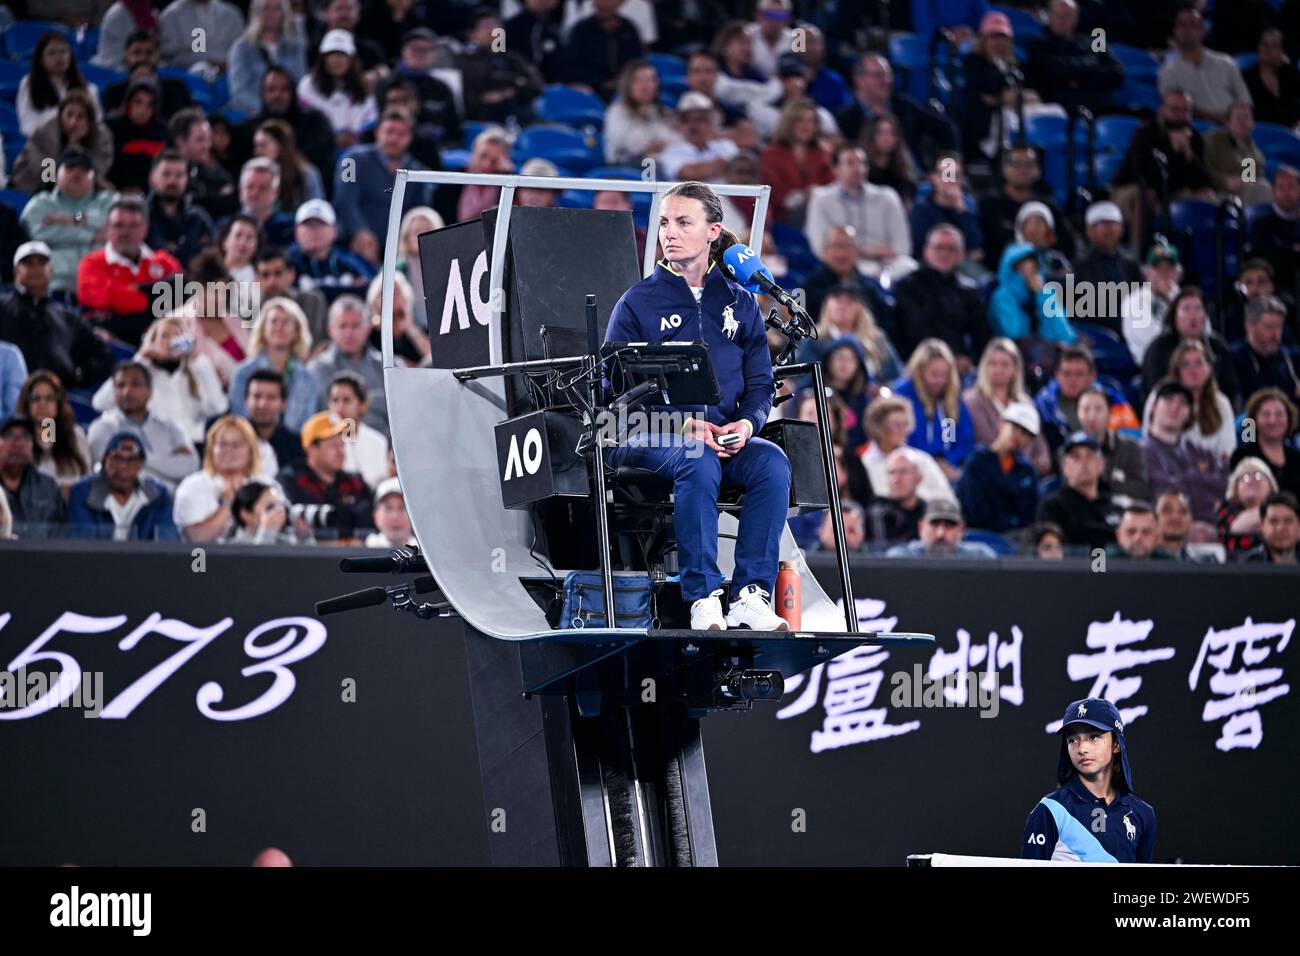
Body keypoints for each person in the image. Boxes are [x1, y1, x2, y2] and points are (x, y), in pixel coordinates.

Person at [602, 180, 790, 632]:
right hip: (644, 433)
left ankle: (750, 594)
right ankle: (703, 596)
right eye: (665, 222)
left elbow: (761, 385)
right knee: (698, 458)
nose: (669, 232)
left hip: (722, 437)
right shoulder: (637, 302)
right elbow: (613, 394)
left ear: (713, 231)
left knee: (772, 463)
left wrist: (747, 424)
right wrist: (684, 426)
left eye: (684, 222)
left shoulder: (742, 303)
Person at [1021, 697, 1156, 863]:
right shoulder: (1050, 809)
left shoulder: (1142, 813)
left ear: (1116, 744)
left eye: (1094, 737)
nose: (1082, 748)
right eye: (1072, 740)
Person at [92, 316, 228, 447]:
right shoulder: (140, 371)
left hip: (190, 444)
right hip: (149, 445)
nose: (171, 341)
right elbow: (100, 403)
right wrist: (140, 360)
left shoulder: (197, 370)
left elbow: (218, 408)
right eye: (165, 336)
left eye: (177, 335)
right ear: (153, 341)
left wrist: (199, 360)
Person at [1111, 90, 1217, 250]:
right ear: (1162, 109)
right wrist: (1173, 150)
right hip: (1134, 189)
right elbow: (1143, 176)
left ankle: (1204, 257)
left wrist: (1188, 154)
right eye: (1175, 109)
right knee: (1148, 194)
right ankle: (1136, 255)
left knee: (1210, 196)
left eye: (1185, 110)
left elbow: (1205, 180)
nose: (1180, 115)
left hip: (1174, 191)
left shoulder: (1251, 151)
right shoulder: (1146, 133)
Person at [0, 242, 113, 391]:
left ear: (51, 270)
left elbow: (104, 357)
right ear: (16, 271)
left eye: (42, 263)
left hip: (58, 398)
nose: (35, 269)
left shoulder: (67, 317)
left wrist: (79, 374)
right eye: (28, 263)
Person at [76, 197, 183, 348]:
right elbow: (102, 297)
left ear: (145, 229)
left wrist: (131, 293)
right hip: (113, 344)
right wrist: (155, 299)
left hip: (163, 342)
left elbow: (182, 296)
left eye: (133, 226)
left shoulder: (165, 261)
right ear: (107, 229)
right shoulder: (91, 263)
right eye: (119, 225)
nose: (126, 233)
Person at [332, 108, 434, 261]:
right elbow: (344, 201)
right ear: (377, 132)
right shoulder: (351, 160)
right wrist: (360, 231)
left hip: (400, 249)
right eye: (389, 131)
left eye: (401, 134)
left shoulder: (418, 172)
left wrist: (405, 244)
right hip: (355, 244)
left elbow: (419, 212)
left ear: (410, 139)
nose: (393, 138)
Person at [805, 144, 914, 280]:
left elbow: (902, 248)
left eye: (862, 163)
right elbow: (821, 249)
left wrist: (854, 250)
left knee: (910, 266)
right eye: (850, 163)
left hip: (888, 267)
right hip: (844, 266)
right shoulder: (821, 199)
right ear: (835, 169)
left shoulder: (887, 197)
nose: (858, 168)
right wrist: (871, 251)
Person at [87, 361, 199, 491]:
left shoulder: (170, 427)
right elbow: (110, 472)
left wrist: (139, 458)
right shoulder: (102, 427)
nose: (127, 391)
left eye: (136, 384)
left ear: (149, 392)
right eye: (120, 385)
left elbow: (191, 465)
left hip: (169, 504)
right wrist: (170, 463)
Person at [18, 149, 118, 296]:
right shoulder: (41, 204)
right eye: (70, 168)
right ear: (57, 173)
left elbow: (119, 227)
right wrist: (89, 236)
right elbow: (38, 234)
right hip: (55, 286)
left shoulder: (110, 200)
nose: (77, 172)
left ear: (94, 176)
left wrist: (73, 219)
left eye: (84, 169)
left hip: (105, 284)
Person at [834, 53, 958, 168]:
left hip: (919, 183)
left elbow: (947, 130)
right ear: (859, 79)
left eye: (888, 75)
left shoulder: (905, 107)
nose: (886, 81)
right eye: (878, 76)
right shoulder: (844, 120)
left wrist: (948, 175)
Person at [893, 224, 989, 369]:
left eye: (951, 249)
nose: (944, 254)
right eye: (939, 247)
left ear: (961, 255)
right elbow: (914, 331)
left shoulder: (969, 292)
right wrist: (947, 359)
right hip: (917, 363)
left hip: (959, 368)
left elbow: (981, 336)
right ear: (926, 251)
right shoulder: (908, 287)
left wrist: (971, 360)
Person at [1141, 380, 1227, 526]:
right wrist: (1199, 477)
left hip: (1209, 527)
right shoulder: (1140, 451)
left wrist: (1185, 480)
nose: (1175, 407)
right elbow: (1160, 491)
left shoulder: (1200, 452)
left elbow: (1226, 485)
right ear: (1154, 407)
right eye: (1169, 400)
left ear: (1189, 413)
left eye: (1183, 403)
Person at [278, 411, 374, 541]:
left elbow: (372, 516)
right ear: (311, 448)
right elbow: (293, 518)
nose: (341, 451)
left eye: (342, 445)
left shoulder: (355, 482)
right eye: (334, 446)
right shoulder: (290, 480)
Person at [229, 297, 321, 432]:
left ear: (296, 331)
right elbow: (239, 419)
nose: (279, 327)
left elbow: (307, 426)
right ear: (263, 329)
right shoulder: (242, 373)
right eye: (273, 321)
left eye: (286, 322)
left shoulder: (308, 378)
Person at [962, 338, 1052, 475]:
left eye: (1004, 364)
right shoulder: (970, 401)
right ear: (984, 367)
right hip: (989, 476)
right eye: (993, 364)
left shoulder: (1026, 403)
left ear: (1015, 369)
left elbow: (1040, 444)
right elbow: (987, 441)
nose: (998, 369)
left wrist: (1038, 464)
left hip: (1026, 475)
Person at [232, 66, 337, 183]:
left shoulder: (314, 121)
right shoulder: (248, 128)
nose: (277, 95)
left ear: (293, 92)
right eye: (271, 90)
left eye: (284, 89)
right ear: (263, 93)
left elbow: (320, 159)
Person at [67, 430, 178, 541]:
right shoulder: (83, 492)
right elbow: (83, 543)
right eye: (117, 458)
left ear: (142, 464)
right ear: (105, 461)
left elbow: (167, 541)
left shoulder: (158, 495)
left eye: (132, 460)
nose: (123, 466)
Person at [977, 145, 1077, 267]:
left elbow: (1067, 247)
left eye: (1029, 164)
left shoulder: (1047, 206)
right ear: (1004, 169)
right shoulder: (989, 204)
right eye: (1016, 163)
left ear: (1038, 171)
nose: (1022, 169)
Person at [173, 415, 266, 542]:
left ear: (251, 450)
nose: (228, 450)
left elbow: (279, 534)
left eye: (236, 445)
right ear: (211, 449)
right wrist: (228, 505)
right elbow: (197, 539)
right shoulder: (192, 486)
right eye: (222, 444)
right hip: (201, 560)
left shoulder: (265, 486)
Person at [1033, 344, 1139, 456]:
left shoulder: (1113, 400)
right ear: (1057, 375)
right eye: (1066, 374)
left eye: (1079, 374)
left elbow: (1131, 439)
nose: (1072, 380)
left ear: (1092, 376)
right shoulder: (1043, 404)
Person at [1026, 0, 1124, 116]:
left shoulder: (1095, 41)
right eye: (1058, 15)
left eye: (1067, 16)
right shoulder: (1038, 44)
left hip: (1101, 107)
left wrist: (1075, 79)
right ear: (1049, 16)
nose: (1062, 20)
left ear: (1076, 18)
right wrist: (1092, 66)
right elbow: (1056, 69)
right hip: (1063, 110)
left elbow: (1117, 72)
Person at [1158, 4, 1252, 125]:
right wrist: (1218, 119)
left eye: (1193, 24)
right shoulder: (1167, 70)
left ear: (1203, 30)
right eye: (1182, 25)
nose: (1187, 30)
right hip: (1194, 129)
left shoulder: (1226, 62)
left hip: (1234, 127)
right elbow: (1174, 108)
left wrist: (1235, 119)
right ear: (1175, 31)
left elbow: (1244, 100)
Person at [1142, 340, 1236, 461]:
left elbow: (1227, 451)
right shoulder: (1160, 396)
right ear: (1177, 370)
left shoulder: (1221, 403)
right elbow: (1149, 440)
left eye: (1199, 363)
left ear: (1209, 368)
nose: (1193, 370)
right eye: (1185, 364)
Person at [306, 296, 388, 436]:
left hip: (382, 450)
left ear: (368, 328)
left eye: (355, 325)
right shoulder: (316, 370)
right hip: (334, 448)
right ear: (330, 330)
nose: (349, 333)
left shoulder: (387, 368)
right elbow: (310, 423)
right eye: (342, 326)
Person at [8, 90, 114, 196]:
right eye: (69, 115)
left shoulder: (102, 138)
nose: (73, 122)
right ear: (60, 115)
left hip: (80, 189)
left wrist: (77, 147)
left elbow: (96, 173)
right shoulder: (44, 133)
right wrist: (72, 146)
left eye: (80, 116)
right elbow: (47, 176)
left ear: (90, 121)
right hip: (33, 188)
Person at [956, 401, 1041, 533]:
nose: (1018, 436)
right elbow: (973, 509)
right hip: (979, 535)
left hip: (1016, 540)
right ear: (1001, 423)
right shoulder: (976, 462)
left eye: (1025, 433)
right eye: (1015, 427)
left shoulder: (1027, 472)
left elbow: (1029, 513)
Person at [456, 6, 544, 124]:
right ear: (472, 34)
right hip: (483, 121)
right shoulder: (465, 62)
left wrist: (508, 92)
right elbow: (469, 98)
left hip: (521, 118)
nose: (494, 31)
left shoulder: (513, 59)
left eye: (497, 25)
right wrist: (516, 84)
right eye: (486, 26)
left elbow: (536, 85)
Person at [1070, 201, 1144, 339]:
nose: (1108, 229)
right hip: (1095, 334)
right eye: (1102, 224)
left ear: (1121, 229)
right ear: (1089, 231)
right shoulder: (1078, 267)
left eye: (1113, 224)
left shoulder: (1131, 266)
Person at [1036, 431, 1122, 550]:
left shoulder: (1116, 508)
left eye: (1090, 456)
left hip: (1113, 568)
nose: (1083, 463)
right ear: (1064, 467)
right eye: (1076, 457)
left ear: (1101, 464)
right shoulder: (1052, 508)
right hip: (1072, 568)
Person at [860, 394, 955, 501]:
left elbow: (947, 498)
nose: (903, 430)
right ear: (878, 427)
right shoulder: (864, 466)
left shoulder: (922, 460)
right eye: (896, 424)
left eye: (905, 424)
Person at [298, 30, 378, 149]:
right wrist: (333, 139)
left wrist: (356, 139)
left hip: (357, 151)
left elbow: (371, 122)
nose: (336, 60)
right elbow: (307, 125)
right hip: (322, 150)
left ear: (351, 59)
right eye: (331, 54)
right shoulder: (308, 85)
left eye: (342, 54)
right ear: (323, 58)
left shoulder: (363, 87)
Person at [759, 98, 834, 225]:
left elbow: (831, 185)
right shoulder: (770, 155)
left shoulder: (823, 153)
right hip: (784, 219)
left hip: (821, 213)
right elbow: (776, 196)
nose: (806, 126)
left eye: (811, 121)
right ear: (789, 123)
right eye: (800, 121)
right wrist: (804, 196)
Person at [288, 199, 375, 304]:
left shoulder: (351, 261)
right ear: (296, 231)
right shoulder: (286, 261)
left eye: (321, 224)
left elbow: (372, 287)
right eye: (308, 225)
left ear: (334, 230)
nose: (315, 231)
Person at [16, 30, 102, 137]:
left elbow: (97, 122)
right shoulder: (28, 84)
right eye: (52, 53)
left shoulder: (88, 88)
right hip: (45, 145)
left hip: (81, 144)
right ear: (41, 59)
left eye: (63, 51)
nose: (59, 57)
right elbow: (27, 125)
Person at [16, 370, 91, 492]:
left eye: (49, 398)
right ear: (26, 403)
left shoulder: (75, 435)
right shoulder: (16, 438)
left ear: (59, 403)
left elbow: (86, 480)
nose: (42, 404)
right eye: (36, 398)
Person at [228, 0, 308, 113]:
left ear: (284, 13)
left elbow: (301, 84)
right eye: (266, 8)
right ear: (257, 12)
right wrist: (266, 110)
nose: (271, 13)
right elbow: (239, 92)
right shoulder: (241, 48)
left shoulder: (295, 46)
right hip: (253, 113)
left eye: (276, 9)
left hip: (290, 112)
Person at [1076, 385, 1149, 503]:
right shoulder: (1069, 451)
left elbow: (1141, 489)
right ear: (1077, 413)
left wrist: (1103, 484)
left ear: (1109, 412)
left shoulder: (1130, 447)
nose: (1092, 416)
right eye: (1086, 409)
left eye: (1098, 409)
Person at [144, 150, 215, 270]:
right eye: (166, 174)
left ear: (187, 179)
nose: (172, 181)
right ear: (152, 178)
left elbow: (209, 258)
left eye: (179, 175)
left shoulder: (198, 219)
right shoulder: (140, 218)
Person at [100, 28, 194, 120]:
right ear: (126, 55)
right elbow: (110, 125)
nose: (142, 58)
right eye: (137, 53)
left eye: (149, 53)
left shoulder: (177, 88)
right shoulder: (113, 92)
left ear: (157, 56)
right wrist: (131, 88)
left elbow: (192, 120)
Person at [0, 416, 67, 538]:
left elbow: (61, 537)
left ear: (32, 446)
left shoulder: (48, 487)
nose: (18, 443)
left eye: (25, 437)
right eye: (9, 435)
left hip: (42, 556)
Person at [603, 58, 679, 166]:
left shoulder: (663, 112)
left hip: (660, 164)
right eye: (638, 80)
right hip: (624, 167)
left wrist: (660, 144)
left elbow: (678, 140)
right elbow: (634, 145)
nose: (644, 86)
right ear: (628, 85)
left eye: (649, 80)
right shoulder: (616, 111)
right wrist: (654, 144)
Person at [908, 152, 983, 261]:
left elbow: (976, 248)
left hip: (961, 264)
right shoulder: (921, 208)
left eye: (955, 175)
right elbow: (917, 248)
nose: (949, 181)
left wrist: (962, 211)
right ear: (933, 178)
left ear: (963, 179)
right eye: (944, 174)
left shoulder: (968, 208)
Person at [170, 107, 238, 223]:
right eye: (200, 140)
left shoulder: (211, 171)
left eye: (208, 139)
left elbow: (231, 200)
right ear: (180, 142)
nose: (207, 146)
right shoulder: (166, 171)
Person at [565, 0, 643, 100]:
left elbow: (637, 63)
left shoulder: (629, 29)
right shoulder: (580, 30)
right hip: (589, 91)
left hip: (624, 89)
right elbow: (570, 67)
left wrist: (622, 81)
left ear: (620, 3)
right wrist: (599, 83)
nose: (603, 4)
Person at [1231, 387, 1300, 498]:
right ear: (1254, 419)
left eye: (1279, 414)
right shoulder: (1242, 457)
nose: (1272, 421)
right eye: (1266, 414)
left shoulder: (1296, 457)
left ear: (1289, 418)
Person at [104, 79, 169, 195]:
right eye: (138, 102)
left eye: (150, 105)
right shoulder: (111, 128)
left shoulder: (163, 131)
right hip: (115, 193)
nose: (143, 109)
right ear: (128, 103)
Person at [657, 92, 740, 183]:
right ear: (680, 125)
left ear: (711, 122)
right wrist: (720, 166)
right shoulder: (671, 151)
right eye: (687, 120)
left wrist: (701, 170)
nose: (693, 125)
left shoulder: (726, 145)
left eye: (700, 119)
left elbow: (740, 170)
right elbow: (688, 174)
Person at [326, 371, 389, 489]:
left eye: (346, 400)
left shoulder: (378, 441)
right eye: (335, 400)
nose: (340, 406)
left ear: (363, 404)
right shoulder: (322, 442)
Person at [1203, 101, 1273, 206]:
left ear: (1253, 124)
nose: (1243, 122)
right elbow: (1202, 168)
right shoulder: (1213, 140)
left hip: (1243, 195)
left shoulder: (1255, 152)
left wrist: (1243, 183)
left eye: (1247, 117)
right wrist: (1224, 181)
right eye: (1238, 117)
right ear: (1227, 122)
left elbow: (1251, 179)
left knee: (1263, 187)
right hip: (1215, 192)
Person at [1231, 296, 1300, 403]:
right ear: (1249, 327)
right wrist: (1252, 421)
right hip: (1249, 419)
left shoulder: (1290, 359)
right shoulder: (1234, 359)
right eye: (1269, 327)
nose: (1275, 334)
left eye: (1279, 327)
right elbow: (1238, 409)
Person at [239, 368, 304, 478]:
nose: (263, 404)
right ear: (246, 400)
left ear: (283, 404)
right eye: (257, 396)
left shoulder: (296, 445)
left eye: (271, 398)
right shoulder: (231, 441)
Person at [885, 497, 998, 559]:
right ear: (921, 527)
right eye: (934, 525)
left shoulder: (979, 557)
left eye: (949, 526)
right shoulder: (902, 558)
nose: (941, 534)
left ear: (961, 530)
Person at [160, 0, 246, 75]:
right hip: (186, 76)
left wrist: (228, 64)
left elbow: (242, 50)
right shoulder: (171, 15)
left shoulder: (230, 14)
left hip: (227, 75)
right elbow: (167, 56)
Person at [1218, 455, 1276, 559]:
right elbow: (1238, 526)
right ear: (1235, 486)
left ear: (1270, 485)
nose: (1252, 481)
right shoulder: (1226, 509)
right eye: (1245, 477)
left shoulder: (1285, 506)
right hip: (1236, 569)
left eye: (1258, 476)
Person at [865, 447, 927, 544]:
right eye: (891, 473)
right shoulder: (878, 513)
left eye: (903, 472)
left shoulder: (928, 511)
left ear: (918, 477)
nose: (896, 480)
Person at [224, 479, 312, 545]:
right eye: (270, 507)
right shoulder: (231, 547)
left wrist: (304, 539)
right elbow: (255, 565)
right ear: (246, 515)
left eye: (280, 505)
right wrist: (267, 532)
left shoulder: (286, 541)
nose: (278, 511)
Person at [456, 127, 516, 222]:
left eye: (494, 161)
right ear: (474, 153)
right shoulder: (453, 179)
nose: (486, 165)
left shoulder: (505, 186)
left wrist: (508, 173)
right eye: (483, 156)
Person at [1243, 28, 1300, 129]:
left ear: (1282, 51)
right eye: (1264, 44)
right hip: (1261, 133)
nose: (1267, 49)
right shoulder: (1246, 78)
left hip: (1293, 134)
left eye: (1274, 45)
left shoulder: (1292, 74)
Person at [861, 112, 917, 205]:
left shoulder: (902, 169)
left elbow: (910, 194)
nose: (886, 138)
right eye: (880, 133)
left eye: (891, 133)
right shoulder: (864, 170)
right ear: (871, 136)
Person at [1241, 491, 1300, 563]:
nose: (1280, 528)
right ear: (1262, 527)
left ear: (1298, 526)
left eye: (1288, 521)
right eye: (1273, 521)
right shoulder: (1247, 564)